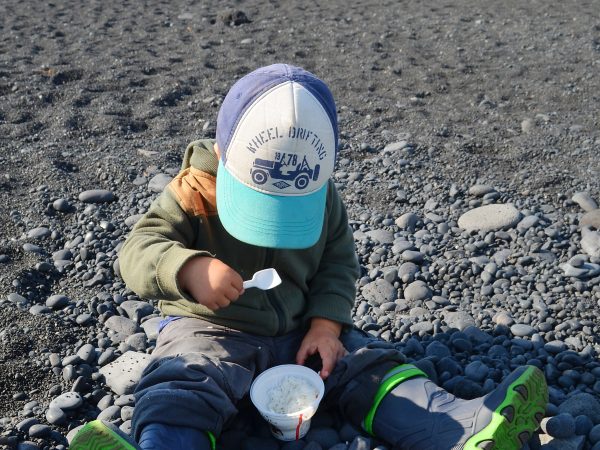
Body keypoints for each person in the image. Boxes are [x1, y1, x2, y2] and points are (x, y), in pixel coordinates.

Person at [70, 64, 548, 450]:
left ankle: (459, 428)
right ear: (222, 151)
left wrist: (326, 324)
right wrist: (188, 268)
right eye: (258, 201)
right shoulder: (191, 193)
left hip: (301, 330)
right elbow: (135, 250)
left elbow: (339, 262)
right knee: (184, 379)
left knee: (367, 364)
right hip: (211, 329)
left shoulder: (323, 195)